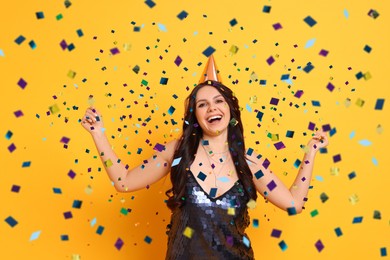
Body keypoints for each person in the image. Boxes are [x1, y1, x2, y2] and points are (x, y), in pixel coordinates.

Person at [81, 55, 329, 259]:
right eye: (202, 104)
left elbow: (294, 203)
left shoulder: (248, 163)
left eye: (218, 101)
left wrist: (310, 153)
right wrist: (98, 134)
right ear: (195, 116)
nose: (212, 108)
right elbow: (124, 181)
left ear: (230, 110)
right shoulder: (178, 152)